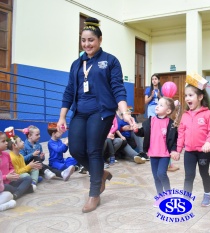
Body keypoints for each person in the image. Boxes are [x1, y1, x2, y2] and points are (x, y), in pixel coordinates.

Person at [57, 17, 135, 213]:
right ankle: (100, 173)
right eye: (83, 40)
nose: (87, 44)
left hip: (101, 112)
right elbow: (69, 91)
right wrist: (62, 117)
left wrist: (124, 112)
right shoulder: (76, 64)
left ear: (99, 40)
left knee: (93, 150)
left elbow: (118, 88)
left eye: (91, 40)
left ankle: (94, 194)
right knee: (75, 149)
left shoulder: (110, 61)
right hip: (80, 112)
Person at [173, 74, 210, 207]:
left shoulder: (208, 114)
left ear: (200, 97)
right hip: (189, 152)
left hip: (203, 151)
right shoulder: (185, 116)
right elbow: (181, 133)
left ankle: (208, 194)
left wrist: (209, 142)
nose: (187, 98)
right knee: (189, 175)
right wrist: (178, 150)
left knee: (204, 173)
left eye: (191, 95)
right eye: (186, 95)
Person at [134, 97, 178, 207]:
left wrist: (173, 150)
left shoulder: (171, 124)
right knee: (156, 176)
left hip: (164, 154)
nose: (157, 106)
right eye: (158, 104)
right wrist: (136, 130)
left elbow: (173, 140)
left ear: (168, 111)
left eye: (161, 105)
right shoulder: (150, 120)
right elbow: (143, 132)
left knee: (161, 173)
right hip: (153, 154)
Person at [0, 132, 34, 200]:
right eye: (3, 141)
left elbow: (11, 167)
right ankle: (22, 191)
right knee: (6, 186)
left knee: (28, 178)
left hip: (11, 181)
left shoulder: (6, 155)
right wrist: (6, 177)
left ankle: (16, 193)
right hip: (2, 185)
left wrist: (12, 173)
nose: (6, 143)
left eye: (6, 140)